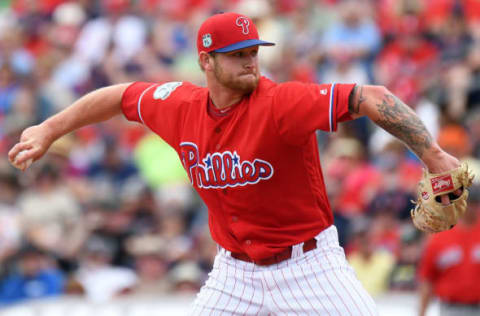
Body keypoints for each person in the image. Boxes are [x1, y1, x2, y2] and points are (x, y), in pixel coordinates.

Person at [8, 12, 461, 315]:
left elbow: (370, 97)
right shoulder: (179, 106)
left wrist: (434, 155)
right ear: (206, 60)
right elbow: (119, 96)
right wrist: (50, 130)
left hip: (309, 266)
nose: (250, 62)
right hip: (234, 273)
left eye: (253, 52)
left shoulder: (282, 102)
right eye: (237, 55)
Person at [417, 186, 480, 316]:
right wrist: (422, 312)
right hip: (450, 308)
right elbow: (427, 279)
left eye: (476, 203)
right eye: (469, 203)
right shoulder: (440, 237)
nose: (472, 208)